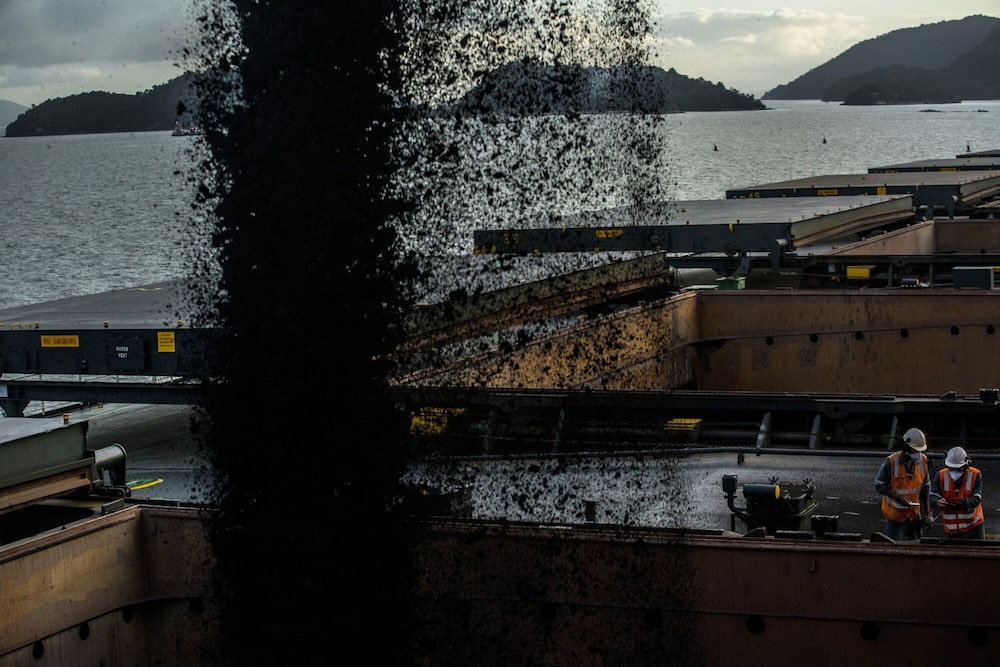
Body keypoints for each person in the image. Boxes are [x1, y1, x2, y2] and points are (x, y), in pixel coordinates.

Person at [874, 427, 932, 541]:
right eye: (915, 450)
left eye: (919, 451)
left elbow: (925, 489)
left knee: (916, 546)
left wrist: (927, 513)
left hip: (913, 515)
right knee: (895, 548)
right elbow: (880, 485)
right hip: (895, 517)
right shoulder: (891, 462)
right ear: (907, 447)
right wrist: (898, 498)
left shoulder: (923, 461)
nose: (918, 454)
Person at [930, 446, 985, 540]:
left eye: (957, 469)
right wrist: (937, 502)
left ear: (965, 466)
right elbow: (932, 496)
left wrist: (963, 503)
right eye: (951, 469)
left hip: (974, 527)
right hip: (952, 530)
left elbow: (976, 498)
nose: (954, 472)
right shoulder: (941, 476)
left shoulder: (975, 475)